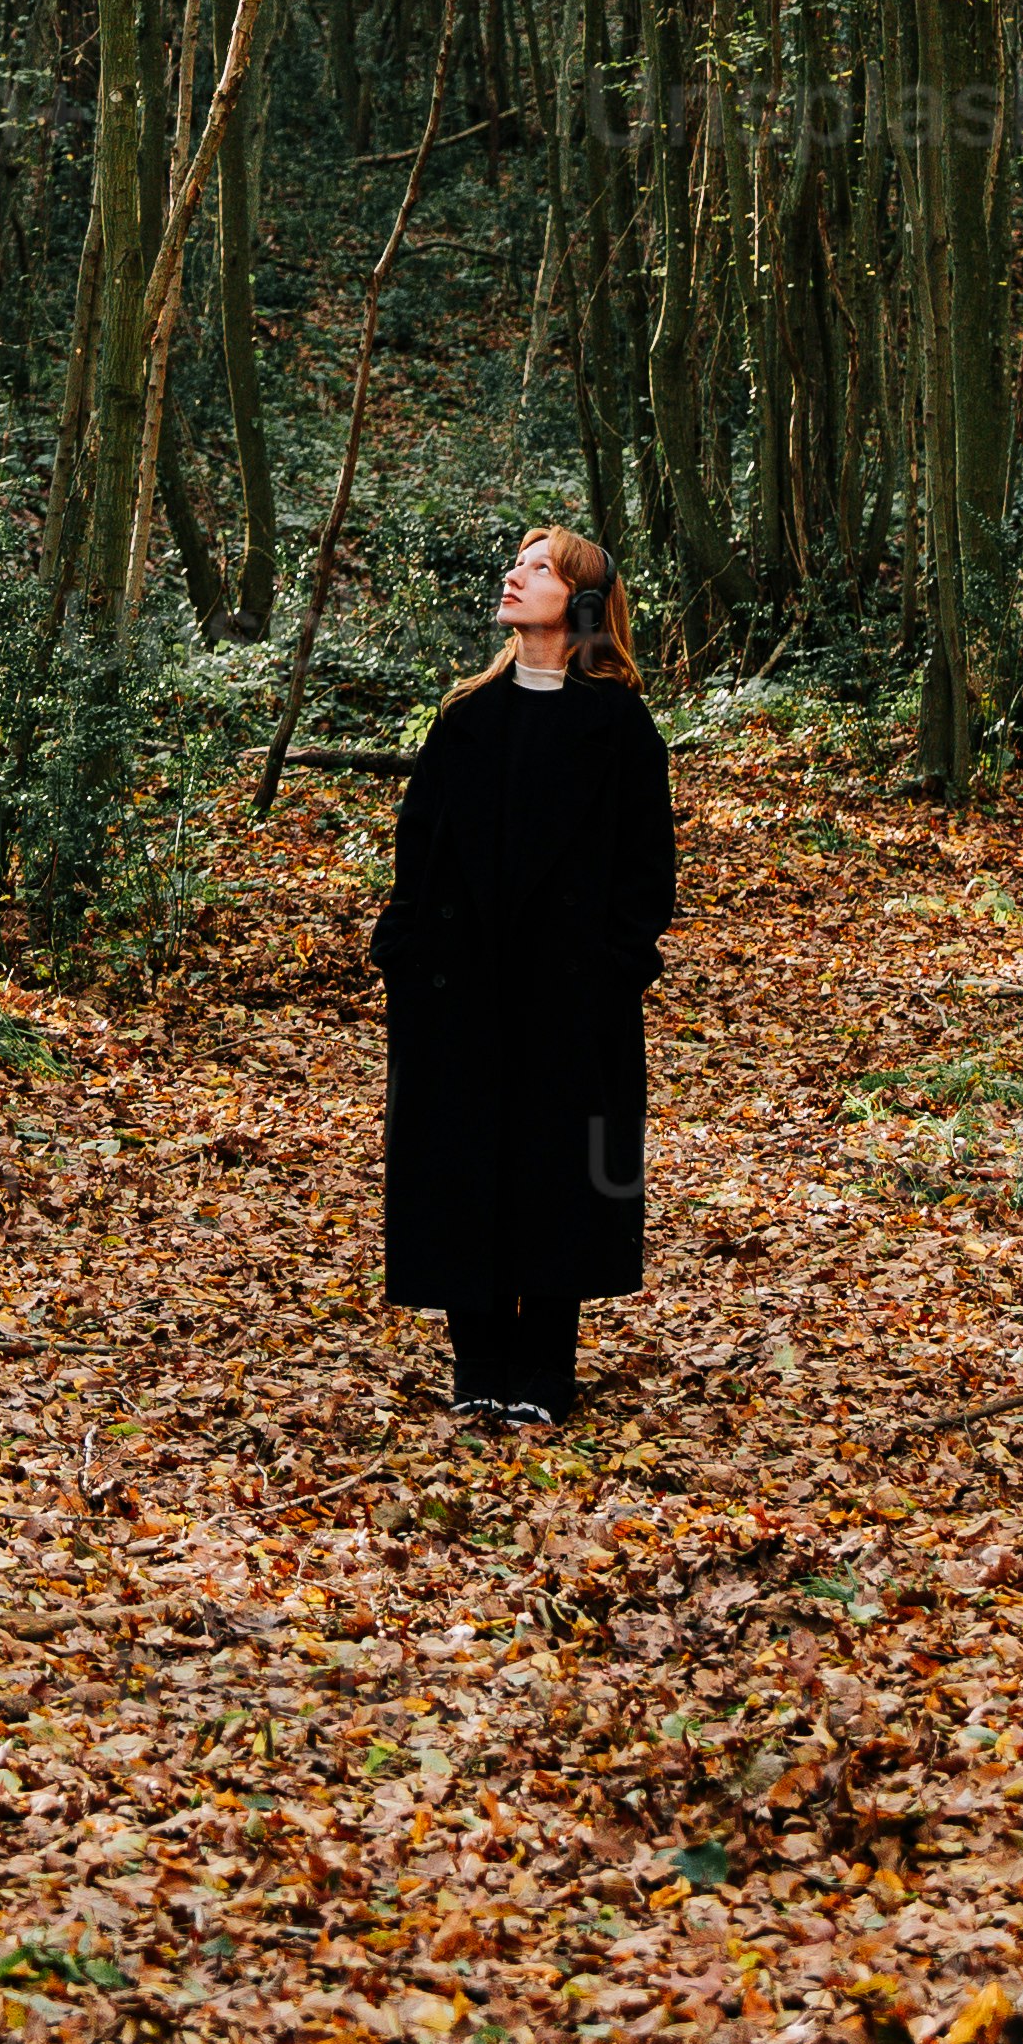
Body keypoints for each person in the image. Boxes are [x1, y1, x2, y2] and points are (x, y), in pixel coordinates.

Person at [374, 518, 676, 1427]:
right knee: (462, 1166)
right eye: (513, 563)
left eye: (536, 569)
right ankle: (479, 1367)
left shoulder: (618, 726)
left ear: (580, 601)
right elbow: (418, 850)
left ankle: (544, 1371)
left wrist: (612, 970)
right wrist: (405, 955)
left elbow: (645, 868)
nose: (512, 577)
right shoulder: (466, 718)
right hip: (458, 994)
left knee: (566, 1175)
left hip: (572, 1001)